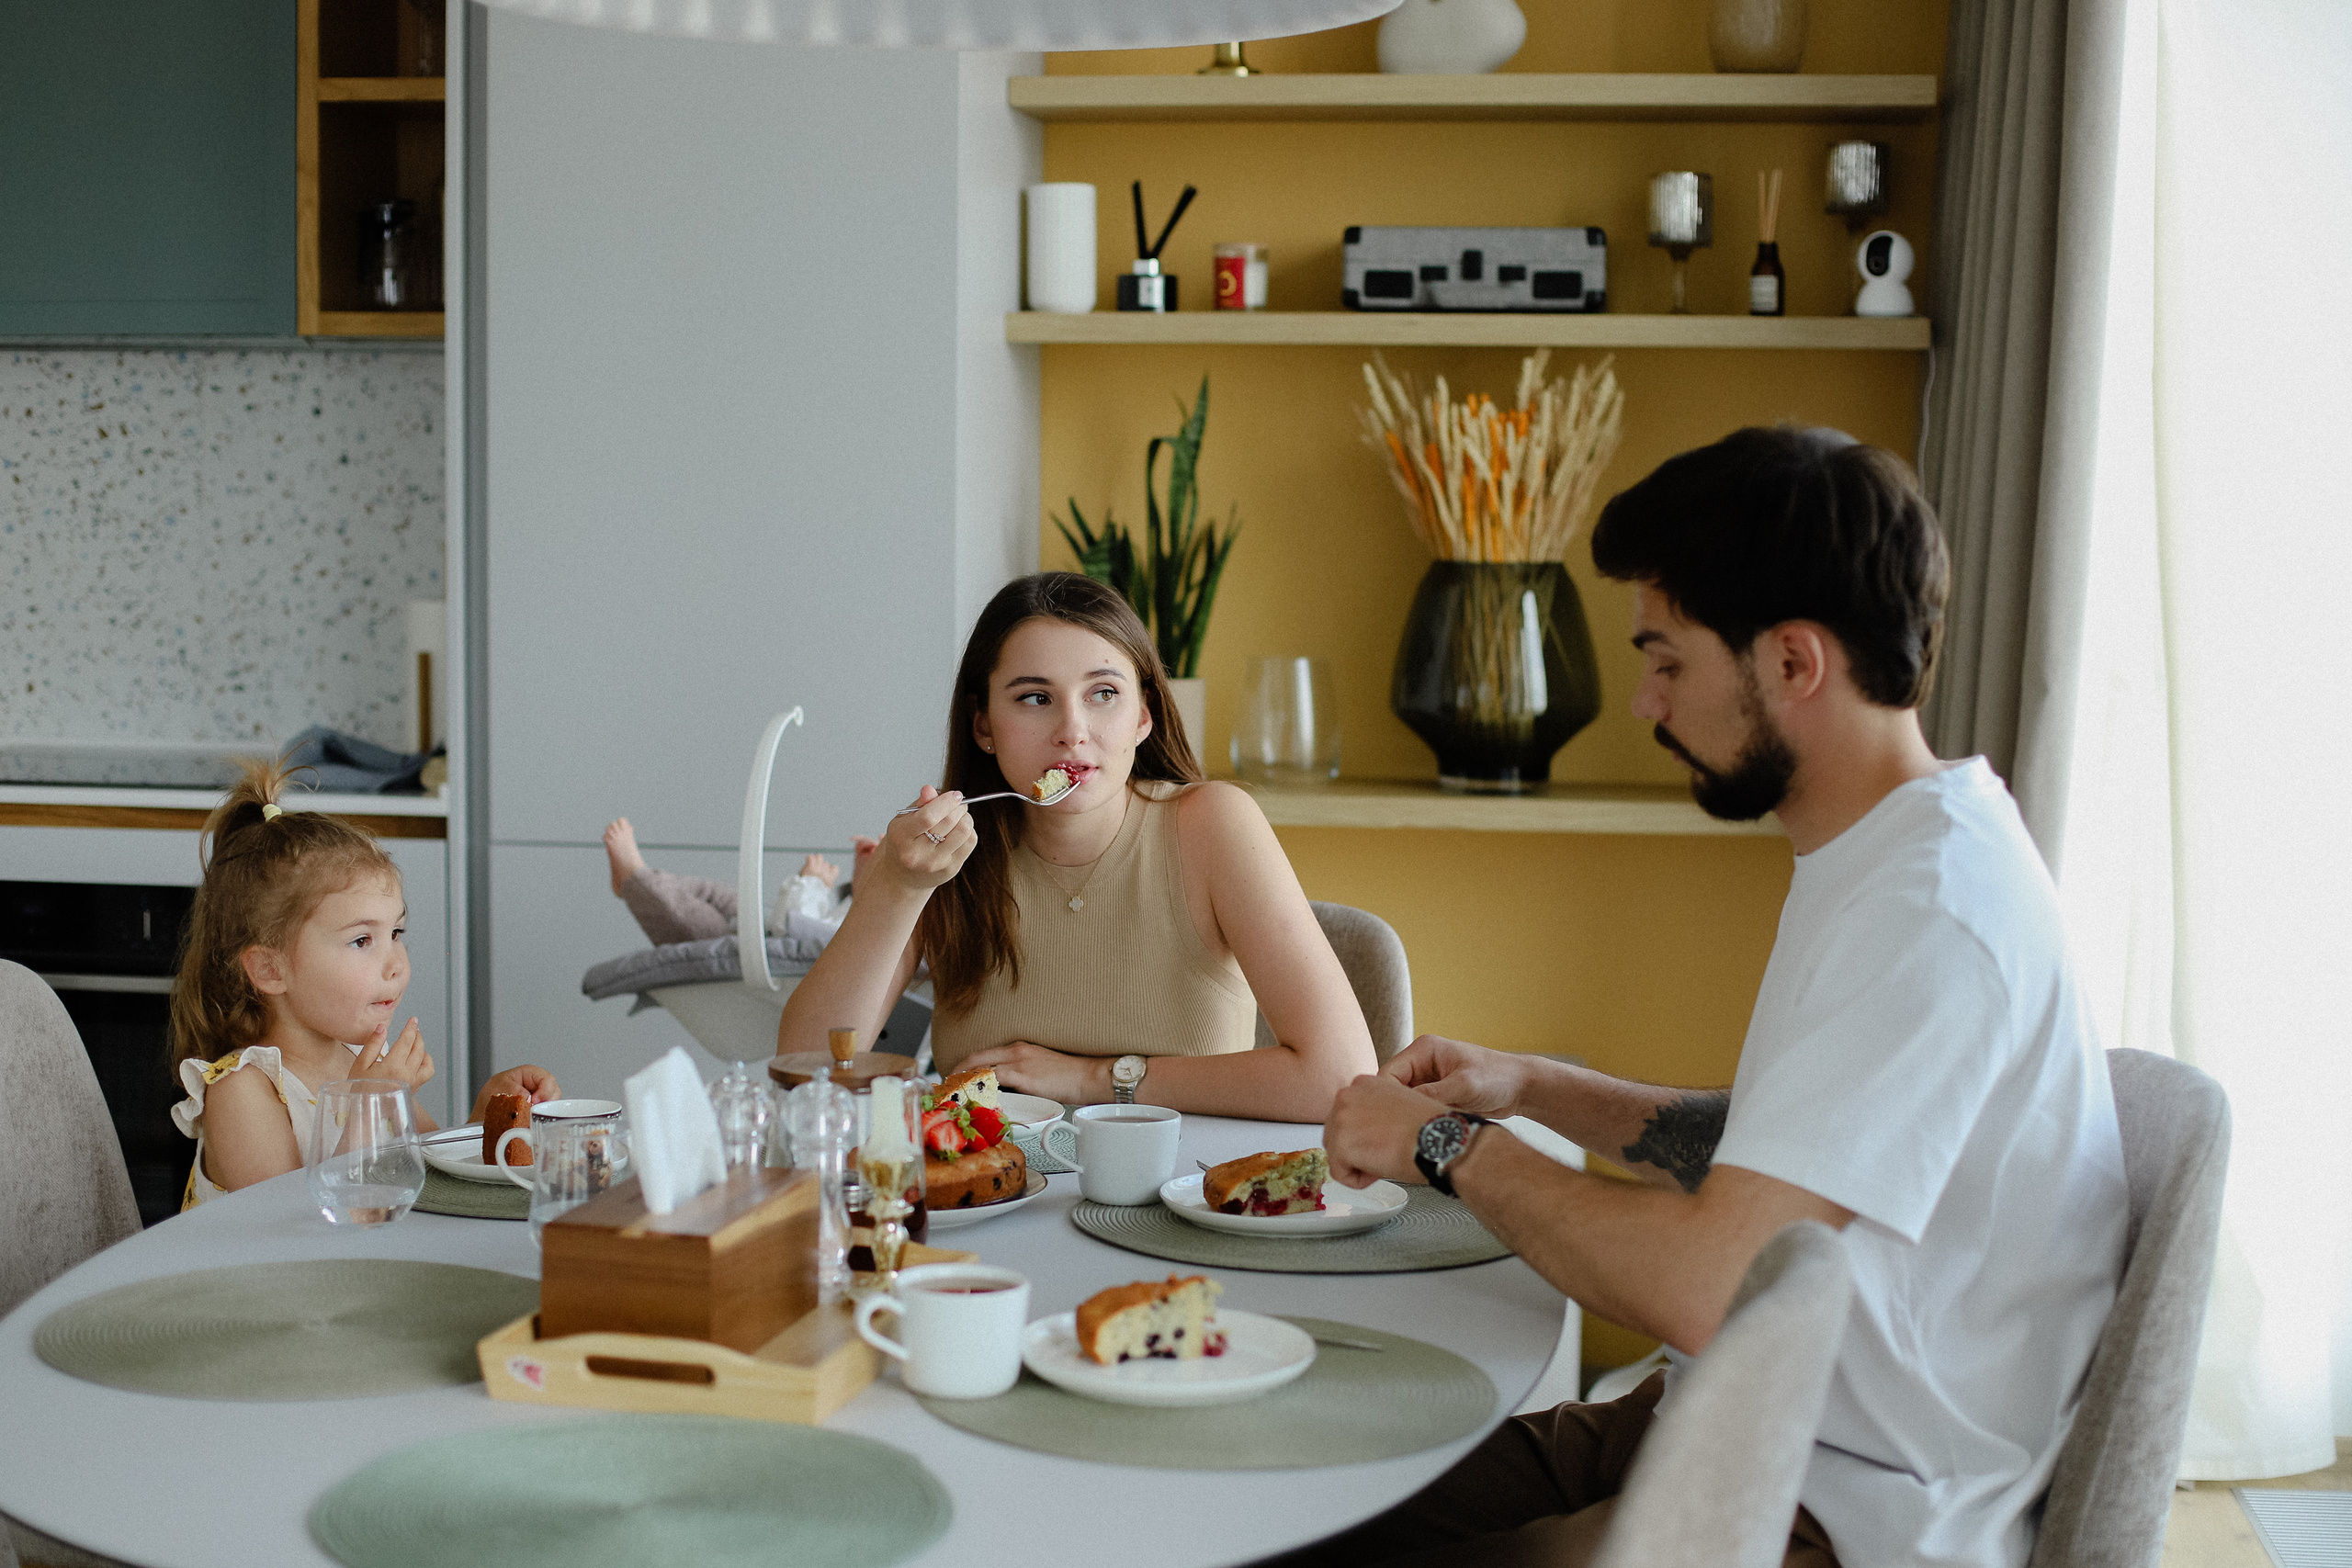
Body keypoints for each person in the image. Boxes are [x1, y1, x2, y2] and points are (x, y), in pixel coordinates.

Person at [1301, 426, 2130, 1568]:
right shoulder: (1887, 853)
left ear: (1793, 663)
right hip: (1755, 1422)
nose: (1643, 703)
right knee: (1311, 1483)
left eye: (1667, 660)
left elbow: (1703, 1283)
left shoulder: (1933, 913)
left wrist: (1446, 1141)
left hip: (1840, 1510)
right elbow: (1770, 1160)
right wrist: (1537, 1086)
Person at [777, 571, 1377, 1121]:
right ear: (983, 724)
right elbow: (804, 1069)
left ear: (1144, 714)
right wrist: (895, 890)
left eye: (1103, 693)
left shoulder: (1214, 825)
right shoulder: (940, 853)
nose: (1072, 729)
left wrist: (1092, 1079)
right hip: (990, 1204)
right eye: (1035, 697)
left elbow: (1340, 1078)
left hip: (1185, 1203)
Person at [170, 759, 560, 1206]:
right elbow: (291, 1227)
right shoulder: (242, 1092)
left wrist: (485, 1121)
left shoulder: (360, 1064)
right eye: (361, 940)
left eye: (396, 933)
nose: (395, 962)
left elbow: (432, 1173)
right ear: (270, 970)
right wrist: (368, 1106)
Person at [601, 817, 872, 946]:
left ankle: (635, 879)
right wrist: (822, 890)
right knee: (718, 894)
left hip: (760, 947)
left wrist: (811, 884)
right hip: (759, 924)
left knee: (692, 919)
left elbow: (796, 929)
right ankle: (632, 885)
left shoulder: (870, 925)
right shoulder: (847, 901)